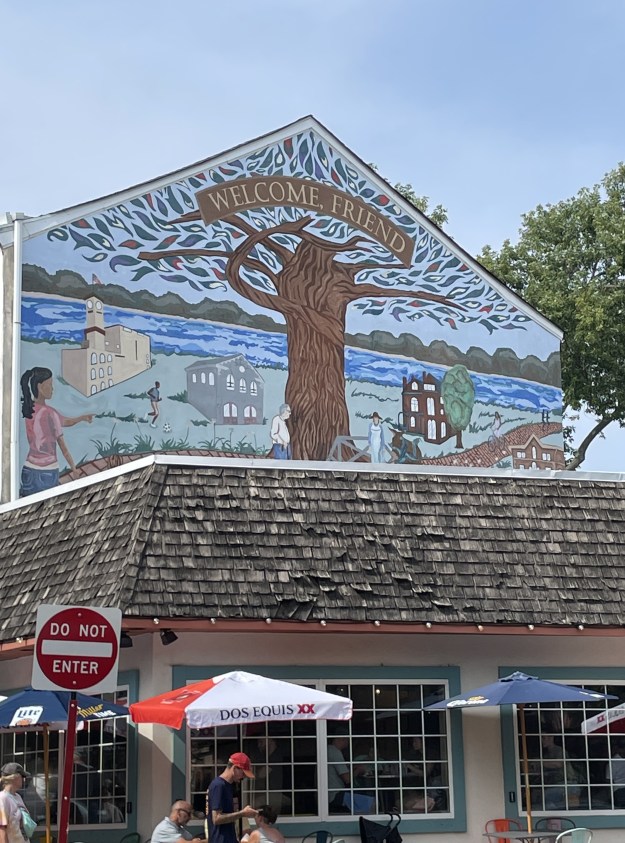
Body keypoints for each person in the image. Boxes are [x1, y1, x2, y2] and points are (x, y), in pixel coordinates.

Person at [19, 366, 93, 496]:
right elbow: (63, 448)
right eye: (50, 384)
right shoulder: (49, 413)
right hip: (46, 472)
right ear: (40, 387)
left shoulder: (29, 410)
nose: (52, 389)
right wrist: (74, 469)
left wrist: (81, 418)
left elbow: (64, 421)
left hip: (28, 470)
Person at [207, 753, 257, 843]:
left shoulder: (228, 785)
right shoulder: (218, 785)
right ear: (234, 768)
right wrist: (242, 813)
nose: (244, 777)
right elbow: (216, 818)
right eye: (243, 773)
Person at [0, 762, 34, 843]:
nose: (24, 779)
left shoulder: (17, 797)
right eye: (22, 776)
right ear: (15, 777)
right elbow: (1, 829)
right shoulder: (2, 798)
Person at [327, 735, 350, 813]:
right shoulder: (335, 752)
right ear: (341, 739)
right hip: (335, 795)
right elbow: (347, 779)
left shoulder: (327, 749)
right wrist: (358, 770)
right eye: (347, 739)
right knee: (371, 802)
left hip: (326, 796)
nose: (348, 742)